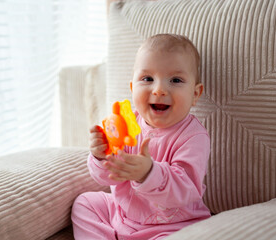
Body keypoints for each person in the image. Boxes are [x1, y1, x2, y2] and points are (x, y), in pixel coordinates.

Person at [71, 33, 211, 239]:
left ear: (195, 94)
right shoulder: (126, 125)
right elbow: (105, 177)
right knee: (85, 203)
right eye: (147, 79)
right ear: (132, 87)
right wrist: (101, 156)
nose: (160, 89)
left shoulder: (193, 136)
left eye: (176, 80)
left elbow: (187, 189)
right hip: (124, 216)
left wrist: (149, 173)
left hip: (174, 227)